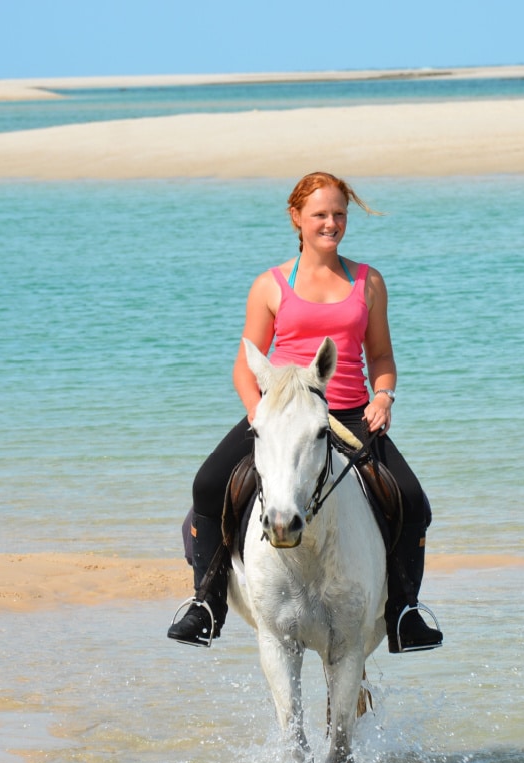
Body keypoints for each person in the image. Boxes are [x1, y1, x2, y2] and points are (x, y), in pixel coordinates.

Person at [168, 171, 444, 654]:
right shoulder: (270, 285)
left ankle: (404, 611)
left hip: (352, 412)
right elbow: (243, 367)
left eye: (339, 214)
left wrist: (384, 397)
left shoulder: (368, 281)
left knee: (412, 500)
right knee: (208, 485)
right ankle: (207, 603)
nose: (331, 223)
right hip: (281, 413)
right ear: (297, 218)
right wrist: (260, 417)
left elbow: (380, 357)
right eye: (320, 214)